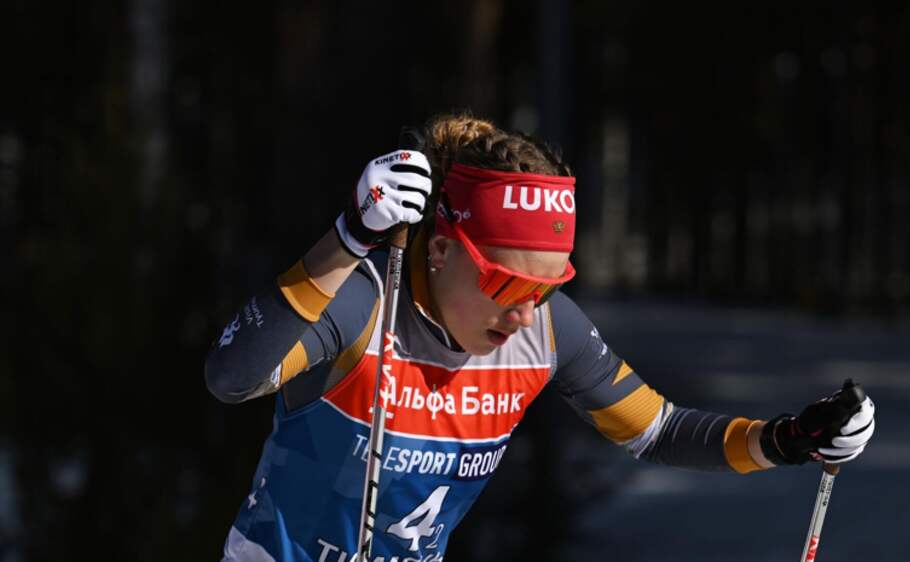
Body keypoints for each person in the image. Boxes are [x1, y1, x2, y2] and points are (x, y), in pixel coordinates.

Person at [204, 112, 876, 562]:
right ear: (441, 248)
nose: (526, 315)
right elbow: (232, 377)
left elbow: (659, 430)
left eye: (547, 288)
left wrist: (787, 439)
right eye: (506, 284)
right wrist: (348, 237)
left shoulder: (546, 333)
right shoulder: (364, 301)